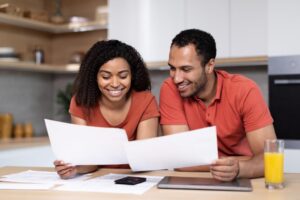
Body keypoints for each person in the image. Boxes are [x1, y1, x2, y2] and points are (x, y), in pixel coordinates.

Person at [159, 29, 276, 181]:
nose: (177, 79)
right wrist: (240, 161)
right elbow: (181, 159)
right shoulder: (170, 89)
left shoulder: (245, 90)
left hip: (242, 178)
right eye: (172, 68)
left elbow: (270, 158)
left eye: (186, 69)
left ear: (209, 65)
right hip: (195, 180)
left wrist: (238, 168)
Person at [54, 40, 160, 179]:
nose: (115, 84)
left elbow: (144, 159)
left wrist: (99, 153)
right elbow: (88, 162)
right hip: (99, 180)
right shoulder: (81, 102)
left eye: (123, 76)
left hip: (135, 179)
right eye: (106, 77)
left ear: (132, 75)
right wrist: (74, 168)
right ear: (94, 77)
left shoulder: (146, 101)